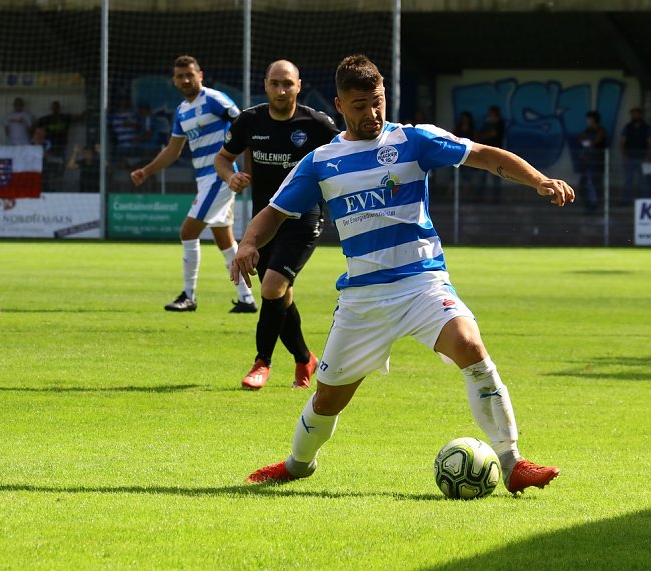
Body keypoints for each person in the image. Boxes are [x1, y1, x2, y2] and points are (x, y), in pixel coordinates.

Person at [233, 54, 571, 495]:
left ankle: (511, 463)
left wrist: (539, 180)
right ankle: (298, 464)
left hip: (423, 285)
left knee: (470, 346)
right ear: (339, 105)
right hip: (363, 300)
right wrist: (248, 243)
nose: (371, 114)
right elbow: (274, 212)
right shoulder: (321, 161)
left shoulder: (414, 141)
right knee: (328, 398)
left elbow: (486, 156)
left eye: (377, 102)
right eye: (359, 105)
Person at [215, 60, 338, 390]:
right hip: (264, 220)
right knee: (280, 294)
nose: (281, 90)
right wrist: (231, 177)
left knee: (271, 288)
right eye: (275, 83)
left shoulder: (317, 124)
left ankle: (262, 363)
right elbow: (222, 158)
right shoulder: (249, 121)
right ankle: (304, 359)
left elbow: (347, 154)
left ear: (299, 84)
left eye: (288, 83)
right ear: (265, 85)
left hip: (303, 218)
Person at [131, 55, 255, 313]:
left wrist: (246, 169)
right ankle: (246, 299)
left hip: (220, 177)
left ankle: (188, 296)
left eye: (190, 74)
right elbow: (173, 151)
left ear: (200, 75)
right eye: (180, 76)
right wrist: (146, 171)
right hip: (204, 180)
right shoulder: (181, 111)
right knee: (224, 240)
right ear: (174, 81)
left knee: (187, 232)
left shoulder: (214, 99)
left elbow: (245, 126)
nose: (186, 80)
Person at [619, 107, 651, 205]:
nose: (634, 116)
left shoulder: (646, 128)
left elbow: (649, 143)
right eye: (633, 114)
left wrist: (648, 157)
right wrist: (624, 155)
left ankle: (644, 202)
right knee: (628, 180)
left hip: (644, 158)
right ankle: (626, 201)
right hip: (630, 158)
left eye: (636, 113)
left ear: (640, 115)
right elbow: (622, 142)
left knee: (644, 181)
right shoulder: (628, 127)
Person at [577, 110, 607, 214]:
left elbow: (595, 141)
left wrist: (589, 143)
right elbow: (581, 139)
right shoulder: (587, 130)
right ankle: (588, 206)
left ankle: (594, 207)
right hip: (587, 164)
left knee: (594, 185)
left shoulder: (600, 130)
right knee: (583, 185)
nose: (588, 121)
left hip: (596, 163)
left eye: (590, 119)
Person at [476, 106, 505, 203]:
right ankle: (479, 197)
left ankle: (496, 199)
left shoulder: (500, 123)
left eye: (491, 113)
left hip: (497, 154)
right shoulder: (487, 123)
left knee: (496, 177)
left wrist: (483, 135)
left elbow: (493, 134)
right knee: (482, 177)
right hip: (485, 154)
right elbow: (481, 134)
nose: (489, 115)